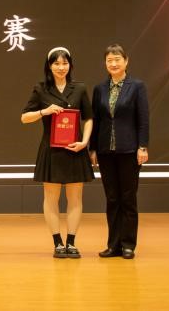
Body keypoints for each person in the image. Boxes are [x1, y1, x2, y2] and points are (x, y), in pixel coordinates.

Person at [21, 47, 94, 258]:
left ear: (70, 65)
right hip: (50, 150)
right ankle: (57, 243)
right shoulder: (40, 89)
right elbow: (24, 117)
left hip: (75, 149)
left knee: (75, 198)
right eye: (56, 63)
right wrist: (44, 111)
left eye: (65, 63)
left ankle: (71, 242)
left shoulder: (79, 88)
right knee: (51, 198)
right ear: (49, 66)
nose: (61, 67)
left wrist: (84, 142)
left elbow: (89, 118)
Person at [90, 44, 149, 260]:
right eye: (109, 60)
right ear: (105, 63)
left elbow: (143, 119)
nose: (113, 64)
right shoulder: (99, 89)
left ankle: (128, 244)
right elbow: (96, 120)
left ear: (126, 61)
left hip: (130, 150)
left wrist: (143, 146)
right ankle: (113, 245)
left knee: (128, 198)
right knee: (112, 198)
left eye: (117, 59)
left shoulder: (137, 86)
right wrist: (93, 148)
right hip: (105, 151)